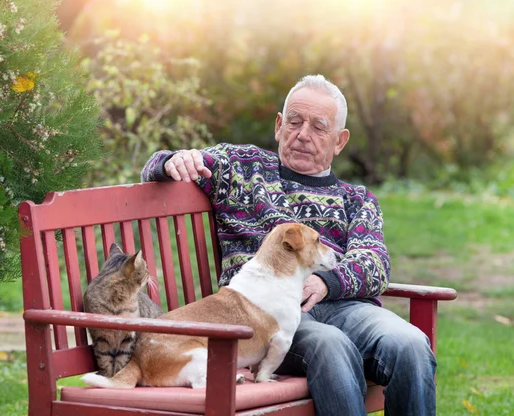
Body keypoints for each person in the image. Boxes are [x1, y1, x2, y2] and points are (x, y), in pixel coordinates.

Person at [141, 74, 436, 416]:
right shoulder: (242, 168)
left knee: (412, 344)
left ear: (339, 141)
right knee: (330, 345)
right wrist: (170, 161)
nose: (303, 134)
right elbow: (160, 163)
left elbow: (375, 263)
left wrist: (328, 282)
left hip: (346, 307)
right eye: (294, 122)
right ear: (279, 125)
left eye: (318, 127)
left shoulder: (356, 199)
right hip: (269, 318)